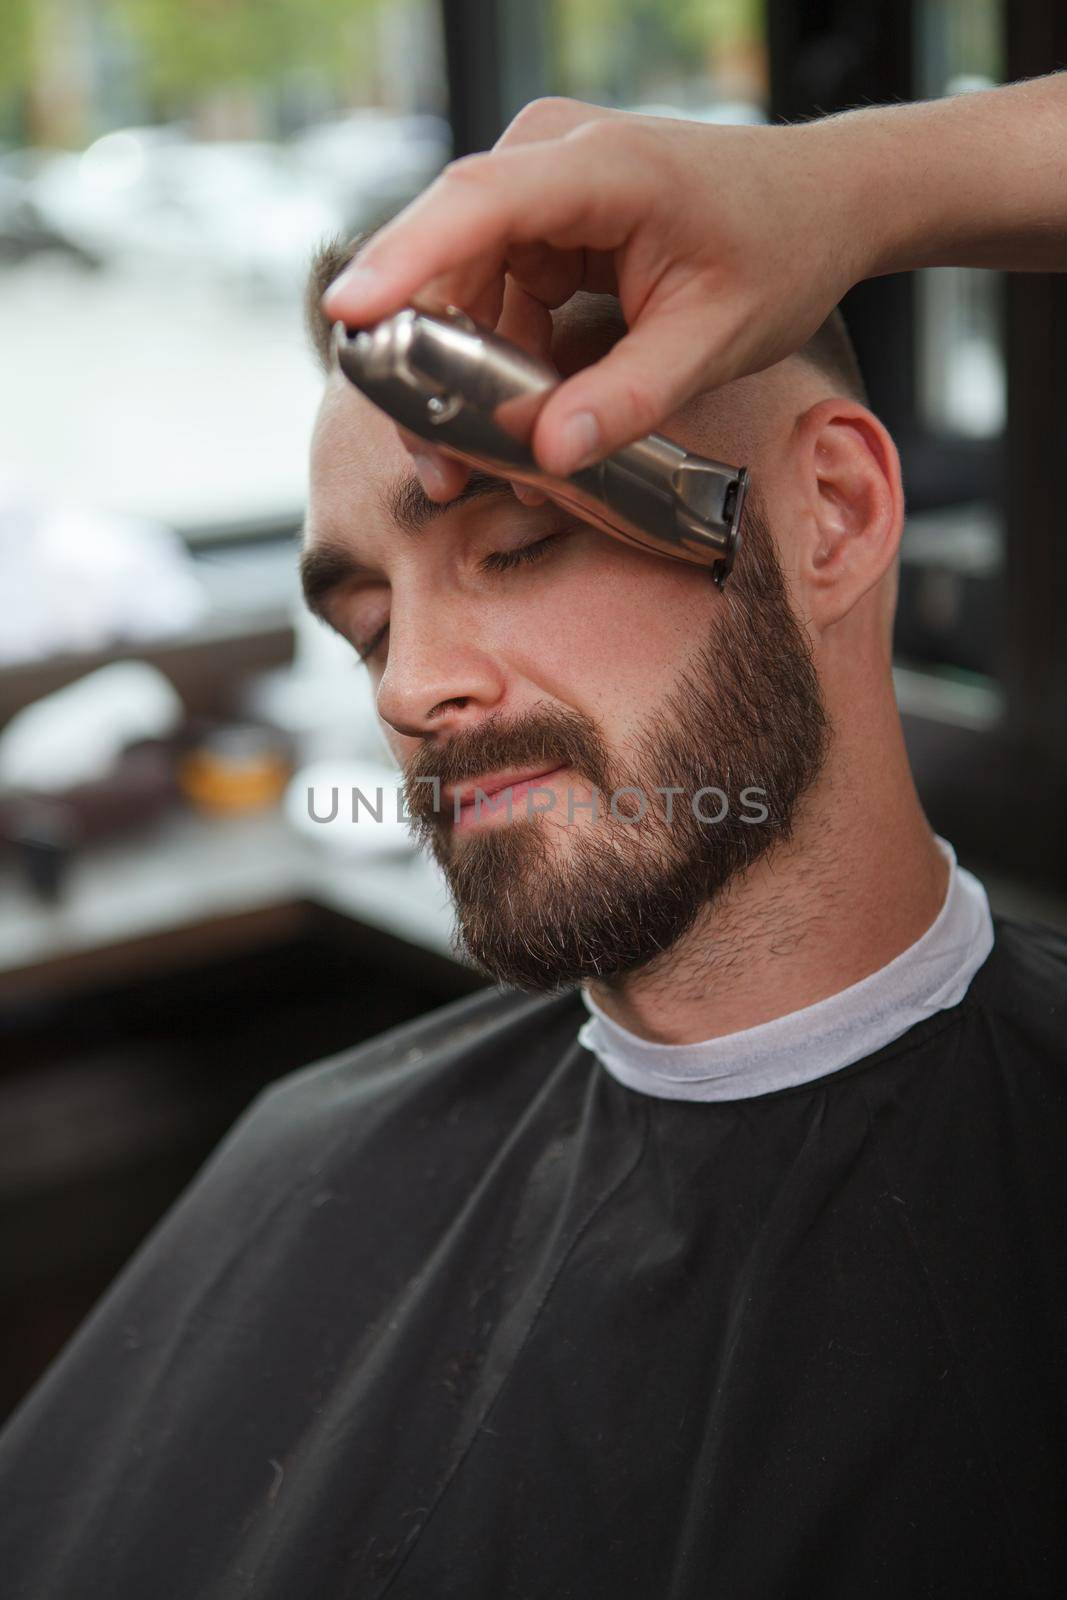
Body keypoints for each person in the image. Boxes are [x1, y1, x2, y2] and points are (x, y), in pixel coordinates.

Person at [1, 77, 1065, 1600]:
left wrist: (861, 184)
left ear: (827, 514)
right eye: (365, 625)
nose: (417, 686)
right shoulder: (307, 1157)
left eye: (517, 543)